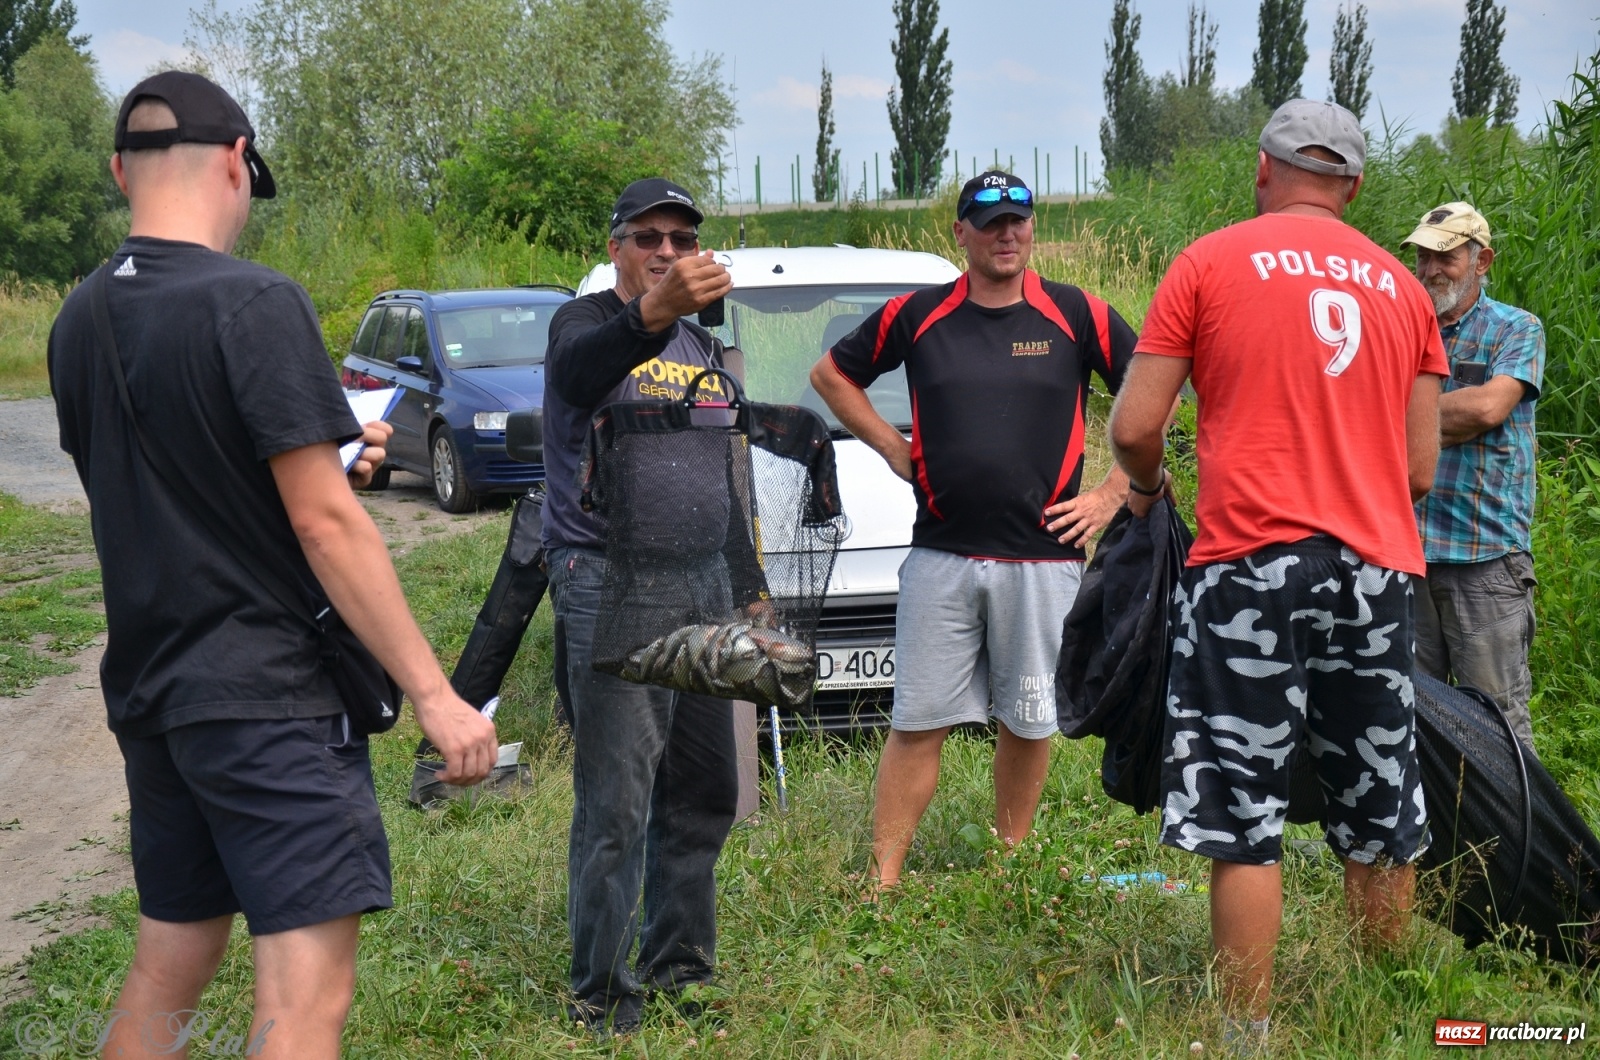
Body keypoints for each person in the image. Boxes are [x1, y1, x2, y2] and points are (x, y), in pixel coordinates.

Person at [47, 72, 498, 1060]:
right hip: (269, 701)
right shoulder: (251, 301)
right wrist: (435, 693)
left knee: (169, 963)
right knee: (301, 1004)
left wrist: (334, 457)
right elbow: (326, 524)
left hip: (158, 696)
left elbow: (165, 489)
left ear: (123, 170)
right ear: (236, 162)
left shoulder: (76, 320)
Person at [1107, 100, 1447, 1049]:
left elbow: (1135, 427)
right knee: (1381, 796)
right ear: (1355, 186)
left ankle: (1247, 1030)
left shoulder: (1211, 261)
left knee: (1240, 807)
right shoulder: (1403, 288)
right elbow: (1419, 470)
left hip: (1250, 564)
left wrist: (1148, 485)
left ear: (1264, 171)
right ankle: (1383, 1009)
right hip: (1376, 569)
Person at [809, 171, 1136, 891]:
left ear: (1032, 228)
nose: (1006, 234)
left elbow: (1153, 390)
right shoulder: (918, 314)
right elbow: (832, 376)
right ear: (961, 232)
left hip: (1043, 557)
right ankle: (884, 877)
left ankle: (1010, 859)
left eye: (1018, 221)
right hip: (941, 555)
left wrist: (1116, 491)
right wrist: (893, 450)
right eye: (989, 223)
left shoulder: (1077, 314)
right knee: (918, 720)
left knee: (1027, 720)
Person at [541, 178, 738, 1035]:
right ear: (617, 244)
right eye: (650, 236)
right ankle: (599, 989)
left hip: (703, 584)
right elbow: (581, 377)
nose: (668, 250)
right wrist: (650, 312)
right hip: (607, 580)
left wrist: (752, 588)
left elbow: (726, 469)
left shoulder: (702, 340)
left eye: (683, 238)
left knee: (704, 788)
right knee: (618, 799)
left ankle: (678, 968)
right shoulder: (582, 325)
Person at [1402, 202, 1545, 749]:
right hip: (1409, 554)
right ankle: (1434, 834)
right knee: (1410, 710)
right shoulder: (1403, 330)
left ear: (1481, 260)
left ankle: (1518, 836)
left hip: (1484, 560)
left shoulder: (1516, 328)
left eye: (1447, 256)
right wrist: (1437, 422)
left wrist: (1392, 420)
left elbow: (1486, 410)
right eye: (1423, 256)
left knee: (1498, 717)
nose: (1432, 268)